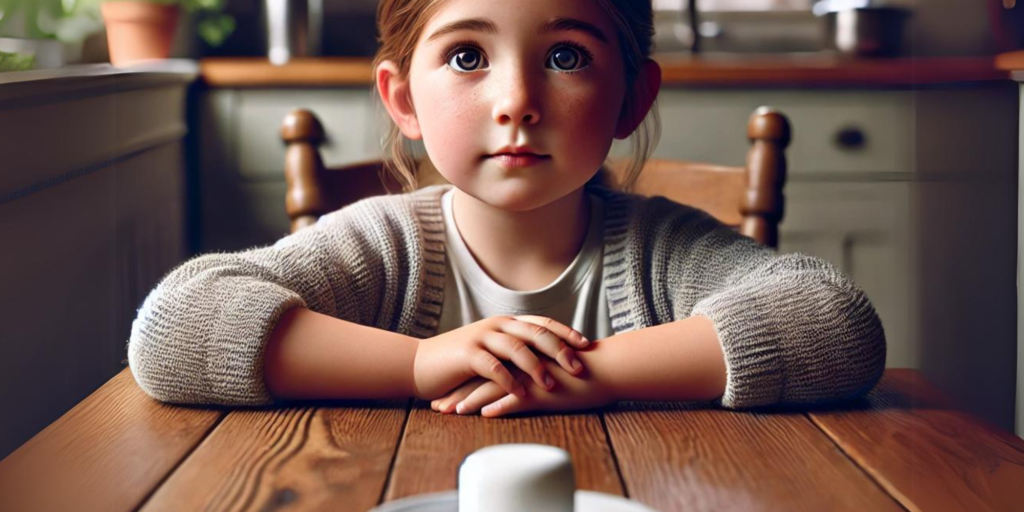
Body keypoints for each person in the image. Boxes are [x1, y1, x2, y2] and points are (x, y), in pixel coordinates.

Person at [127, 0, 886, 418]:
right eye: (467, 57)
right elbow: (175, 330)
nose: (517, 102)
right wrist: (422, 361)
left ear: (632, 96)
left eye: (566, 57)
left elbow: (837, 326)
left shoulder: (665, 252)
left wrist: (603, 374)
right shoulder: (382, 245)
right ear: (403, 100)